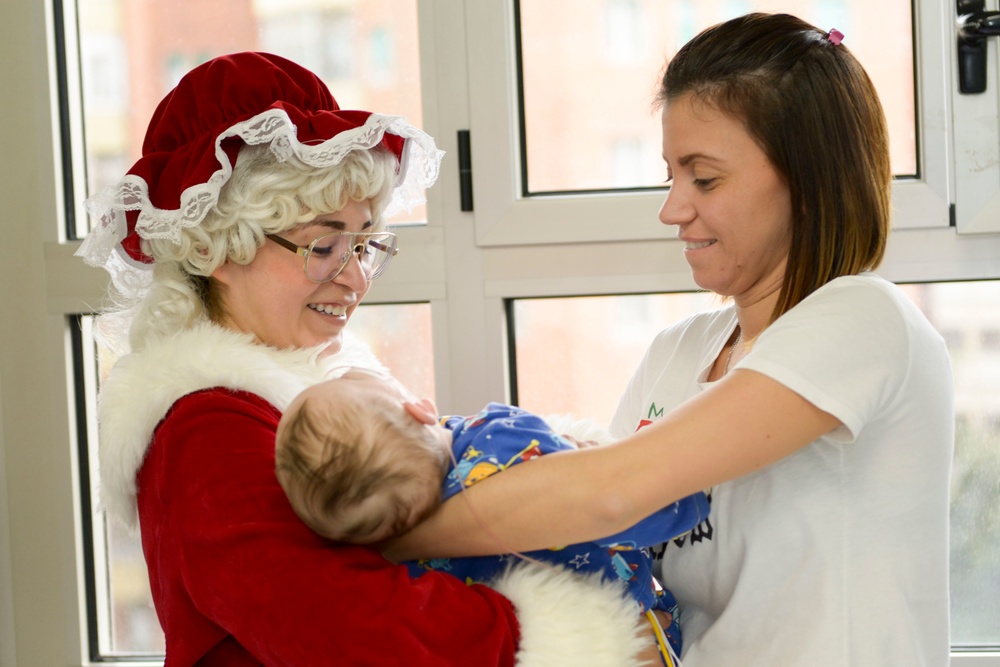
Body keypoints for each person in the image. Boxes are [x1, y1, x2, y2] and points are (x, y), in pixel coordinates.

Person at [382, 13, 955, 667]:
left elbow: (606, 494)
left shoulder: (865, 321)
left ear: (808, 180)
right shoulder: (677, 354)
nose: (672, 209)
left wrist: (383, 543)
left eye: (704, 178)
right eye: (670, 177)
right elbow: (607, 551)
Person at [78, 52, 665, 665]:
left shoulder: (310, 388)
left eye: (364, 245)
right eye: (324, 246)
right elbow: (350, 631)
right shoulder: (207, 430)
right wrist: (599, 636)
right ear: (217, 248)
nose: (356, 278)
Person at [274, 368, 712, 660]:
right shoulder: (503, 437)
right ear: (421, 409)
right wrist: (685, 499)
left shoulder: (408, 558)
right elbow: (619, 505)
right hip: (633, 629)